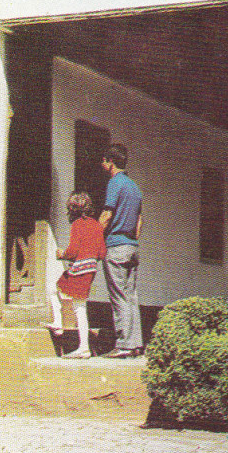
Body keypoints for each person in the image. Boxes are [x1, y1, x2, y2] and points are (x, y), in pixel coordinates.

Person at [99, 143, 144, 357]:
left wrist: (94, 237)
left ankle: (124, 344)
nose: (102, 164)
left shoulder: (115, 183)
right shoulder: (134, 187)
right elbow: (139, 220)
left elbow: (107, 214)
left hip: (116, 245)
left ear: (110, 162)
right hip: (132, 246)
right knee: (130, 295)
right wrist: (132, 240)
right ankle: (135, 344)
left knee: (118, 296)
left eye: (104, 161)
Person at [48, 191, 104, 359]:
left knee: (73, 303)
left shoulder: (78, 225)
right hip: (91, 269)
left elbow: (73, 251)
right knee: (64, 292)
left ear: (72, 209)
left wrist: (61, 254)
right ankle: (60, 326)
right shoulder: (96, 225)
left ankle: (82, 346)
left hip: (79, 268)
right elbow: (102, 252)